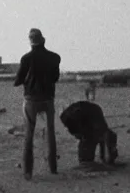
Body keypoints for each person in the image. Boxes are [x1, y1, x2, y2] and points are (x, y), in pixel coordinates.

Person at [13, 28, 61, 180]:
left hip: (31, 99)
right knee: (51, 133)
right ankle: (53, 168)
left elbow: (18, 80)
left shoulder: (26, 58)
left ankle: (28, 172)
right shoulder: (55, 57)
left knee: (29, 134)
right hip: (48, 98)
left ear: (30, 42)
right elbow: (55, 78)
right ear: (43, 40)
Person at [60, 101, 118, 166]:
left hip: (85, 120)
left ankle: (104, 155)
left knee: (102, 135)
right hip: (82, 122)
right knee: (86, 161)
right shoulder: (91, 129)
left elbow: (105, 132)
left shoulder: (96, 119)